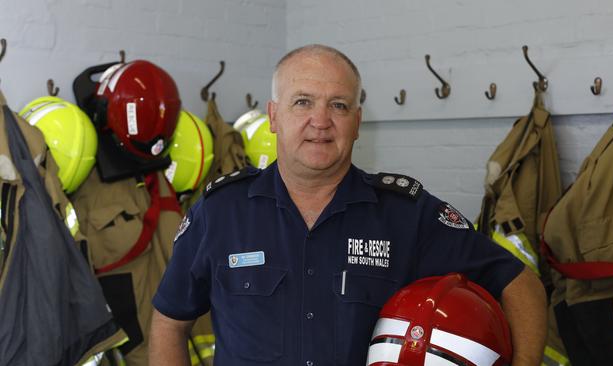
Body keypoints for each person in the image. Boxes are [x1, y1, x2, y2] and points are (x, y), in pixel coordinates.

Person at [149, 44, 547, 366]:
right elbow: (169, 322)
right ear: (274, 117)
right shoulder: (220, 211)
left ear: (357, 121)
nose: (321, 121)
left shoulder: (407, 215)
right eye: (302, 102)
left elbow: (519, 283)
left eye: (338, 105)